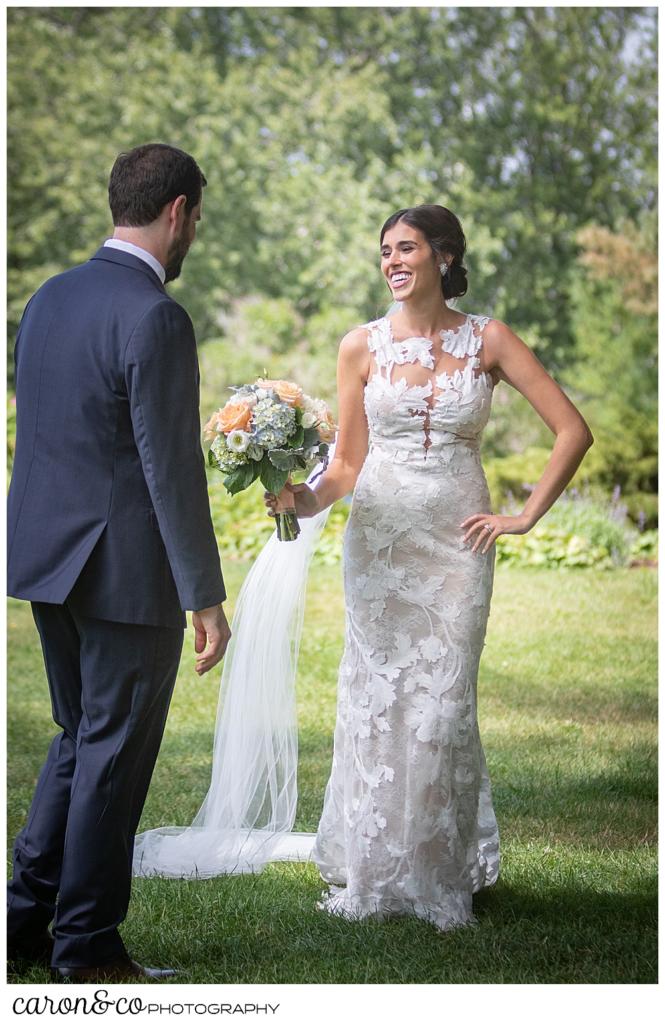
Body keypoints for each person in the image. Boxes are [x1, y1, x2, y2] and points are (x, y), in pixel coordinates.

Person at [266, 204, 594, 929]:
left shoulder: (491, 338)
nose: (391, 261)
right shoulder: (360, 347)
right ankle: (374, 874)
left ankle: (438, 875)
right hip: (379, 541)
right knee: (377, 699)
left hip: (457, 544)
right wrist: (302, 497)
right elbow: (345, 464)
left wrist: (524, 513)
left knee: (443, 705)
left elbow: (572, 429)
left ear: (443, 257)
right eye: (384, 250)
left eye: (406, 248)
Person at [7, 143, 231, 980]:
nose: (193, 234)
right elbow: (168, 467)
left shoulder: (48, 297)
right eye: (197, 218)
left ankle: (24, 919)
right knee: (111, 749)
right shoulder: (154, 316)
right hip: (124, 573)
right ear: (177, 210)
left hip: (44, 557)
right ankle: (87, 945)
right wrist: (203, 596)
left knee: (78, 738)